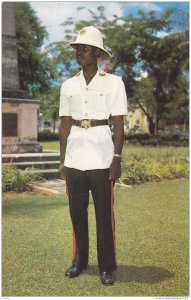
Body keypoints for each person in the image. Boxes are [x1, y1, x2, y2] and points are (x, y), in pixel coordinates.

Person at [59, 26, 127, 285]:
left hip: (101, 154)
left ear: (97, 52)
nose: (79, 52)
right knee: (76, 211)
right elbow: (65, 125)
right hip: (75, 155)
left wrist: (116, 159)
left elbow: (119, 125)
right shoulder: (67, 85)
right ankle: (80, 260)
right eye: (77, 47)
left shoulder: (114, 82)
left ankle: (107, 266)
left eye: (84, 48)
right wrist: (62, 160)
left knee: (103, 214)